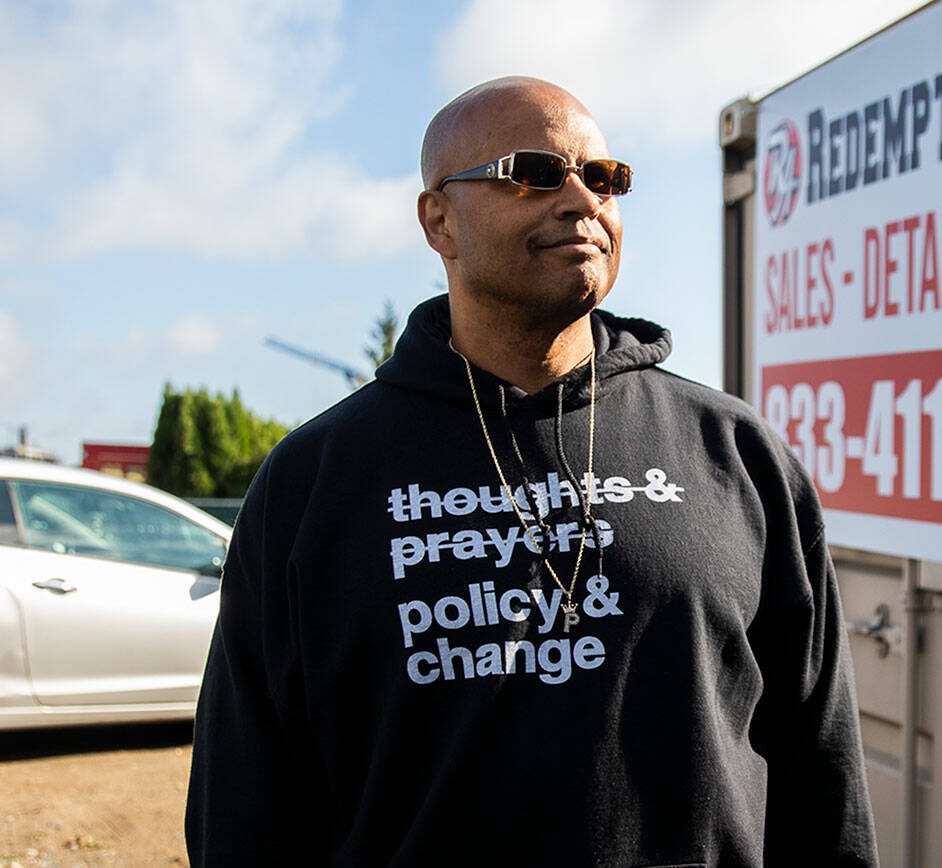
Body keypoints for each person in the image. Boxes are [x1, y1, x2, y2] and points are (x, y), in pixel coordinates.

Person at [186, 76, 876, 867]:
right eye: (535, 173)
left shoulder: (735, 451)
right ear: (438, 220)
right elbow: (244, 800)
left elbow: (819, 764)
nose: (582, 198)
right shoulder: (313, 481)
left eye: (605, 178)